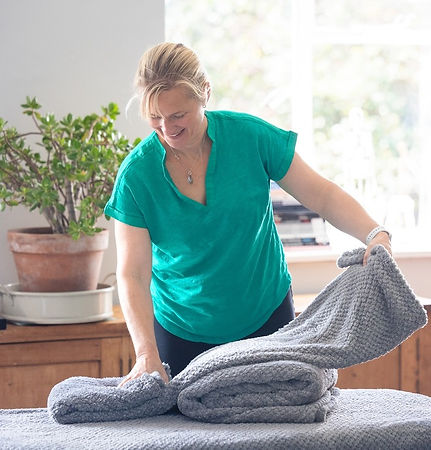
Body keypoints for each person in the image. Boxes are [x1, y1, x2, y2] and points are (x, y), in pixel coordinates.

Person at [104, 42, 392, 386]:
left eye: (178, 115)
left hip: (267, 317)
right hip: (182, 329)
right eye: (155, 117)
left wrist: (375, 233)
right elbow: (133, 274)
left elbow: (323, 195)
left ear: (204, 94)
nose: (167, 129)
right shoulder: (137, 175)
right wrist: (145, 353)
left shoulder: (250, 137)